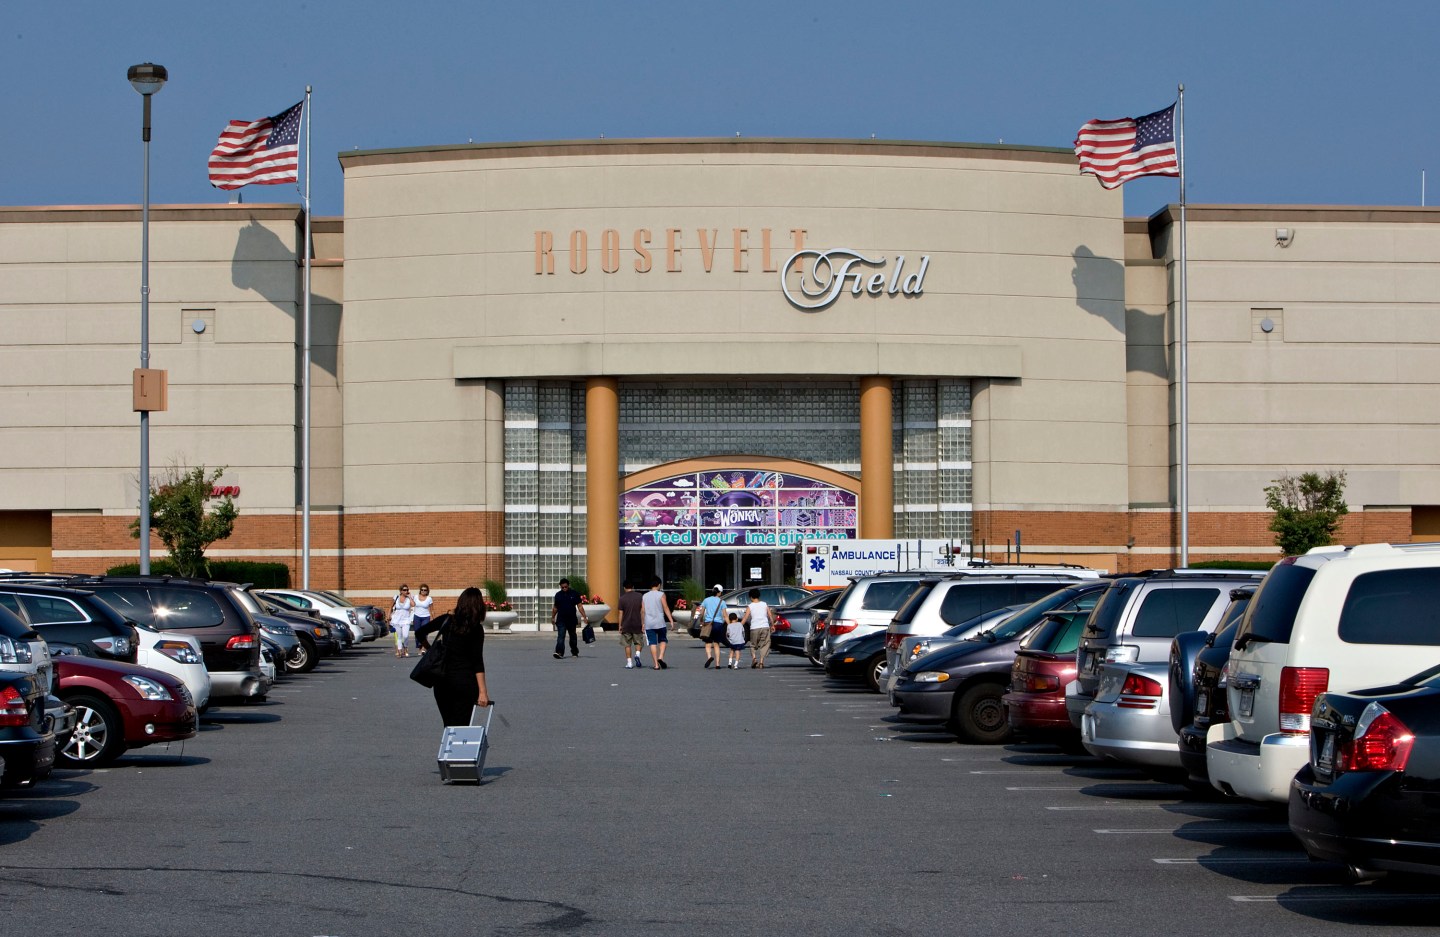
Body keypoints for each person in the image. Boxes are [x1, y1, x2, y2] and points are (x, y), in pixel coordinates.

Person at [415, 586, 490, 726]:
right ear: (478, 606)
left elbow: (419, 632)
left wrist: (430, 649)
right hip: (464, 681)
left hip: (442, 680)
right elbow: (477, 661)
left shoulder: (447, 620)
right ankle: (458, 748)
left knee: (449, 724)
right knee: (462, 724)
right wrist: (483, 691)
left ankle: (448, 747)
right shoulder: (476, 629)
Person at [641, 576, 674, 669]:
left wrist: (642, 623)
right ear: (659, 584)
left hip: (649, 623)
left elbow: (642, 611)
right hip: (660, 622)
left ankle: (655, 664)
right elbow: (665, 607)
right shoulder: (661, 595)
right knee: (663, 640)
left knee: (652, 643)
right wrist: (671, 620)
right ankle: (661, 657)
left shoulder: (645, 596)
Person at [741, 587, 777, 668]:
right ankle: (761, 662)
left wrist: (739, 626)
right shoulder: (764, 604)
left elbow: (745, 618)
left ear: (751, 597)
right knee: (764, 644)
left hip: (754, 627)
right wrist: (772, 625)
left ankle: (754, 658)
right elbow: (770, 615)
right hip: (765, 626)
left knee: (753, 644)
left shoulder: (750, 606)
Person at [551, 578, 586, 659]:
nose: (564, 589)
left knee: (573, 636)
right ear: (560, 586)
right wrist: (553, 617)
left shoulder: (574, 594)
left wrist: (584, 616)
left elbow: (580, 606)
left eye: (565, 587)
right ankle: (559, 652)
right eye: (562, 587)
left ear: (568, 585)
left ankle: (574, 651)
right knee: (561, 636)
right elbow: (555, 608)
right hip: (561, 619)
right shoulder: (558, 595)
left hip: (571, 619)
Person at [616, 580, 646, 669]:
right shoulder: (640, 596)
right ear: (633, 587)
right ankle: (637, 654)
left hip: (626, 624)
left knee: (627, 644)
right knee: (639, 642)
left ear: (624, 588)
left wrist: (620, 625)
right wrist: (643, 623)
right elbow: (642, 611)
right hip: (637, 623)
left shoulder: (622, 598)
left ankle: (629, 663)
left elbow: (620, 613)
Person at [697, 584, 727, 669]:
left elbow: (701, 612)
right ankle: (717, 664)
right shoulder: (722, 602)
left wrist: (701, 621)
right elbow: (725, 615)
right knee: (717, 644)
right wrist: (730, 625)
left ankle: (710, 657)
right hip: (718, 624)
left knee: (708, 643)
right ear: (720, 592)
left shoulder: (706, 600)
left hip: (708, 623)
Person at [391, 584, 416, 658]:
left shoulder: (408, 599)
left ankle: (405, 648)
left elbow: (413, 605)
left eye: (407, 590)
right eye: (404, 590)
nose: (406, 591)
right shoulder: (396, 597)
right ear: (401, 591)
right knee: (399, 636)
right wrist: (389, 615)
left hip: (406, 620)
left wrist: (410, 597)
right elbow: (390, 606)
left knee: (405, 635)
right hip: (397, 620)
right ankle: (399, 651)